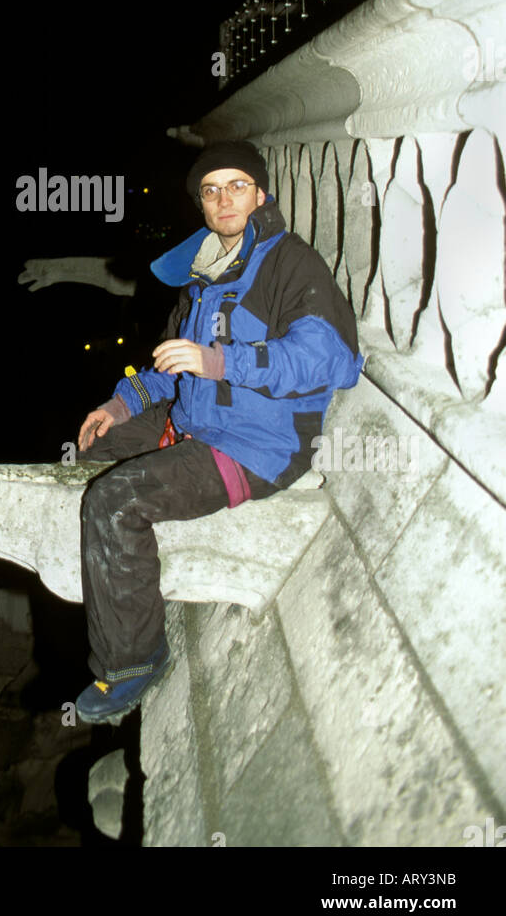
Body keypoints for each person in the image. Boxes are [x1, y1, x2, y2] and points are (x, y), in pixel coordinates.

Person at [73, 140, 364, 724]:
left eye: (236, 186)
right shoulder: (207, 268)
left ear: (260, 194)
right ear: (201, 205)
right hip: (197, 419)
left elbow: (330, 361)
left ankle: (135, 660)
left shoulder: (288, 263)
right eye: (210, 190)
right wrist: (123, 403)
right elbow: (170, 361)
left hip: (259, 446)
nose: (223, 199)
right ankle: (127, 560)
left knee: (113, 501)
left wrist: (222, 363)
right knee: (93, 447)